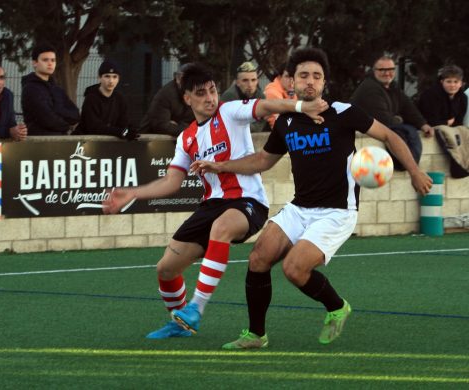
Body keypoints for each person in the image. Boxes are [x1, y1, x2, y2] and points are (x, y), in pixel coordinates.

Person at [190, 48, 432, 349]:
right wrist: (221, 166)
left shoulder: (343, 112)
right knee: (258, 258)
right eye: (303, 75)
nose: (310, 82)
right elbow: (264, 160)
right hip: (299, 207)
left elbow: (390, 136)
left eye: (316, 76)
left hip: (337, 212)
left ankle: (337, 306)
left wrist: (414, 172)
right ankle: (256, 335)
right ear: (291, 81)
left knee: (294, 269)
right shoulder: (286, 121)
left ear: (324, 82)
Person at [103, 62, 327, 339]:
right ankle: (180, 323)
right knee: (166, 268)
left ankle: (196, 308)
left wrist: (300, 108)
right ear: (187, 99)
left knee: (221, 227)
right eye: (201, 93)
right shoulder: (186, 138)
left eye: (212, 91)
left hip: (248, 203)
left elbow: (266, 107)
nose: (210, 98)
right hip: (211, 205)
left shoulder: (230, 112)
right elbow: (172, 181)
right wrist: (133, 193)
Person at [350, 55, 435, 170]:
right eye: (382, 70)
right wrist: (399, 119)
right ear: (374, 71)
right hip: (365, 148)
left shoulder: (392, 86)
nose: (387, 73)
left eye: (390, 69)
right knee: (406, 130)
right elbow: (385, 121)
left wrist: (423, 124)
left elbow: (408, 107)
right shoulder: (370, 89)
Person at [419, 65, 469, 178]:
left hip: (454, 127)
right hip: (433, 125)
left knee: (464, 131)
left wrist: (451, 124)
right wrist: (446, 122)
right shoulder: (431, 95)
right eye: (449, 81)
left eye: (456, 82)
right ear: (442, 82)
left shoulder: (462, 98)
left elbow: (459, 120)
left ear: (461, 83)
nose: (452, 85)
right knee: (448, 133)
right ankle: (458, 167)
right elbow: (428, 118)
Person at [21, 44, 80, 135]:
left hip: (60, 140)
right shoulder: (30, 89)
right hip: (39, 142)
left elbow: (75, 115)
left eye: (53, 60)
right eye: (45, 60)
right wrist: (67, 125)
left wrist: (56, 110)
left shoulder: (57, 89)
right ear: (35, 63)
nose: (50, 63)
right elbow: (46, 119)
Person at [74, 60, 137, 139]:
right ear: (99, 78)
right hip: (84, 144)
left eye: (114, 77)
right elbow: (94, 127)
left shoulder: (120, 99)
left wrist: (129, 131)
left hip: (106, 145)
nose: (111, 81)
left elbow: (124, 123)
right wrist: (121, 132)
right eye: (107, 76)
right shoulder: (91, 98)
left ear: (118, 79)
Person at [138, 64, 195, 137]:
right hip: (152, 140)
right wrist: (189, 128)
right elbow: (161, 126)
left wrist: (180, 126)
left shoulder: (196, 93)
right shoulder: (166, 94)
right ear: (178, 79)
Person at [220, 61, 268, 133]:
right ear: (237, 82)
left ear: (257, 81)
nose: (250, 85)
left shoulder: (261, 97)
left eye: (253, 80)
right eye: (245, 80)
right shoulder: (229, 97)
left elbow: (260, 125)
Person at [264, 62, 296, 129]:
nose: (291, 80)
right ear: (279, 77)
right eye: (287, 76)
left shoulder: (292, 91)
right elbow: (276, 123)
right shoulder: (272, 92)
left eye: (293, 76)